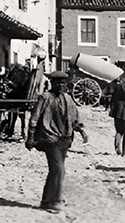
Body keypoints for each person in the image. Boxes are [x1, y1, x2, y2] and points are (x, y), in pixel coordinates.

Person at [25, 71, 86, 214]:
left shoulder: (68, 99)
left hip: (64, 139)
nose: (60, 85)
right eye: (57, 83)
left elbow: (74, 119)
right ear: (52, 84)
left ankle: (46, 200)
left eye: (63, 83)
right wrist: (30, 137)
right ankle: (56, 201)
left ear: (66, 85)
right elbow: (34, 118)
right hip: (49, 138)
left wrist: (81, 131)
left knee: (55, 170)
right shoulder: (44, 98)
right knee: (59, 169)